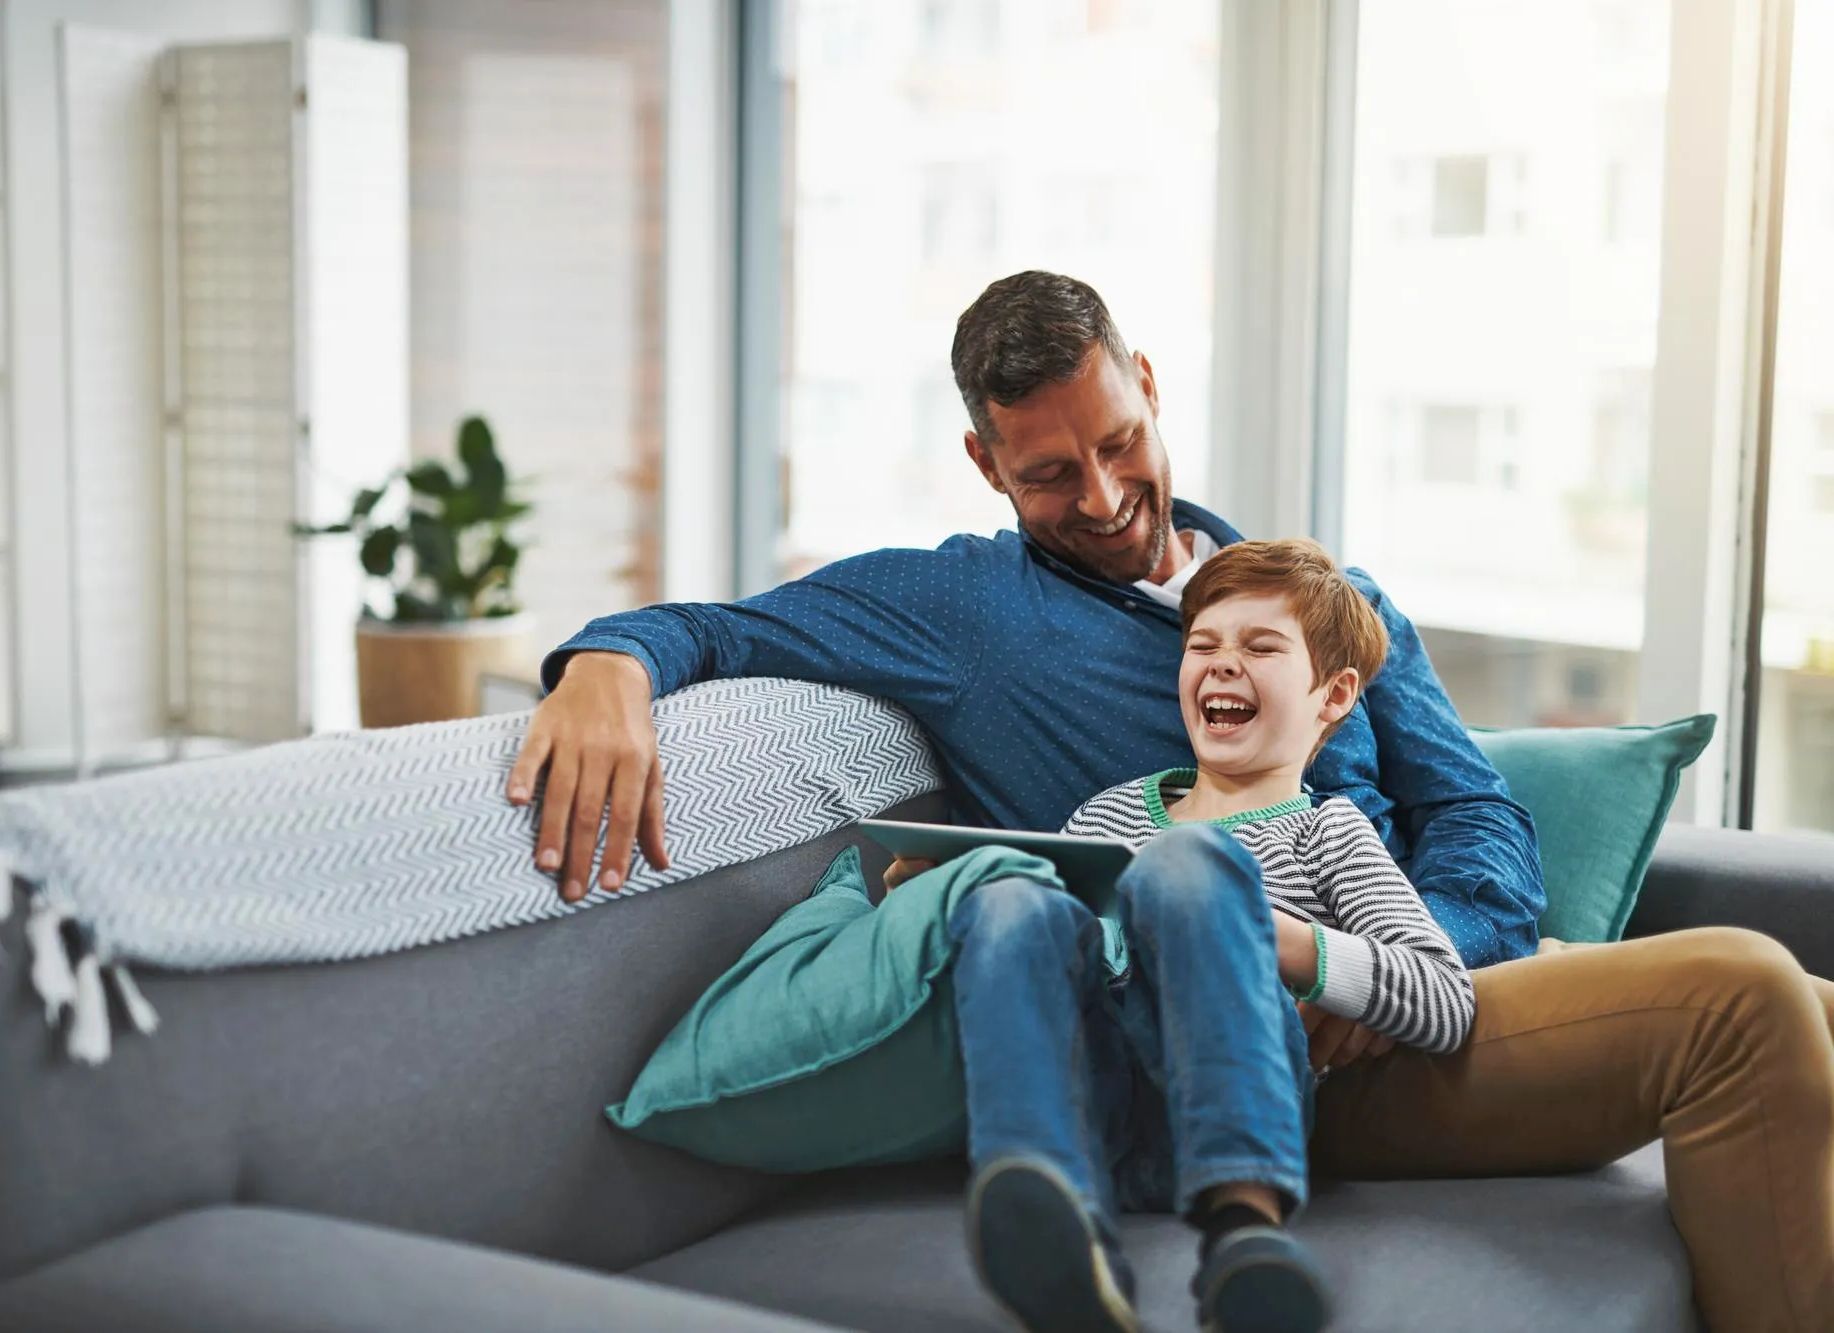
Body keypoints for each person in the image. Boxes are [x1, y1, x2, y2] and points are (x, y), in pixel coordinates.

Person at [509, 271, 1834, 1333]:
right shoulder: (970, 611)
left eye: (1119, 443)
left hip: (1396, 991)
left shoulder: (1321, 604)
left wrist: (1390, 962)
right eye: (1047, 476)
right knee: (1753, 999)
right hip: (1231, 1045)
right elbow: (713, 627)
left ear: (1148, 383)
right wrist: (607, 670)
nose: (1102, 497)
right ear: (986, 464)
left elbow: (1480, 820)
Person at [947, 537, 1474, 1333]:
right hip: (1098, 1105)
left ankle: (1244, 1231)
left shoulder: (1329, 831)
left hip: (1236, 1093)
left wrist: (1286, 939)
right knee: (1010, 899)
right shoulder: (1110, 812)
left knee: (1189, 864)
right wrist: (945, 885)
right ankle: (1052, 1216)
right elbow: (1052, 949)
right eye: (1204, 646)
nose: (1224, 664)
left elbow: (1444, 995)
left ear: (1332, 696)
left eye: (1260, 647)